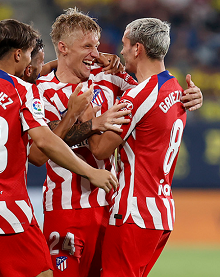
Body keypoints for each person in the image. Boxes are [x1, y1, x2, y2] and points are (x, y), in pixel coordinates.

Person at [0, 19, 117, 277]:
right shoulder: (22, 91)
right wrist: (90, 172)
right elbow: (44, 142)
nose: (32, 62)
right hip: (7, 211)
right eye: (29, 54)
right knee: (42, 273)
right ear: (18, 54)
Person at [31, 9, 203, 277]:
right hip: (66, 209)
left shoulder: (109, 77)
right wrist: (85, 120)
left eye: (97, 46)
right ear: (63, 48)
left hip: (110, 206)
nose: (96, 53)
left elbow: (153, 93)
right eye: (87, 46)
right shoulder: (41, 92)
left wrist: (190, 96)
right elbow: (38, 153)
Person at [87, 17, 186, 277]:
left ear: (137, 49)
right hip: (161, 211)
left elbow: (99, 150)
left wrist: (86, 114)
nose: (120, 51)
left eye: (124, 44)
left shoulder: (139, 95)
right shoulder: (177, 90)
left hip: (134, 210)